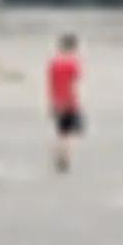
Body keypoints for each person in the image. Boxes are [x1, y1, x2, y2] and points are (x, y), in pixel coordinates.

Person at [47, 33, 84, 173]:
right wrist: (79, 102)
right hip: (70, 101)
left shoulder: (54, 63)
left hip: (57, 101)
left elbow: (51, 84)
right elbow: (75, 84)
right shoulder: (73, 64)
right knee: (70, 133)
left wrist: (51, 102)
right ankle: (65, 158)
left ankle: (57, 154)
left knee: (60, 131)